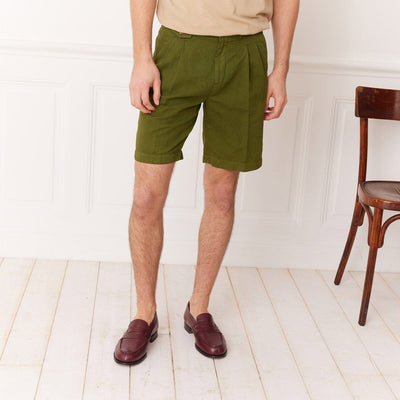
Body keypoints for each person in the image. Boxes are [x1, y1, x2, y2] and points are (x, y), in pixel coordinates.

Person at [114, 0, 299, 365]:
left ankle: (198, 308)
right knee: (146, 195)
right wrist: (141, 58)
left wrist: (280, 71)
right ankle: (144, 313)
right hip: (176, 51)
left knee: (222, 193)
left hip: (244, 54)